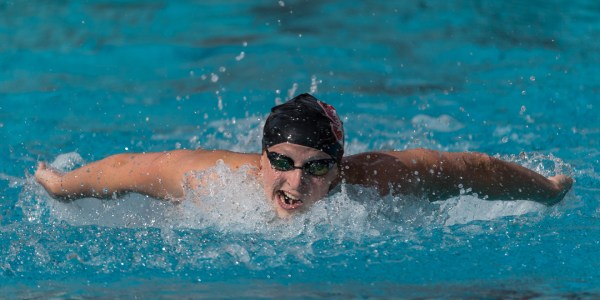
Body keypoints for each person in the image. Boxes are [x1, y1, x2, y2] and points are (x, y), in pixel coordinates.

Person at [35, 93, 573, 218]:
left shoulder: (379, 180)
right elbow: (133, 169)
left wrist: (545, 190)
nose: (296, 182)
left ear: (340, 168)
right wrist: (63, 185)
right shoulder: (215, 180)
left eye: (317, 167)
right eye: (283, 162)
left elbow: (469, 169)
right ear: (261, 156)